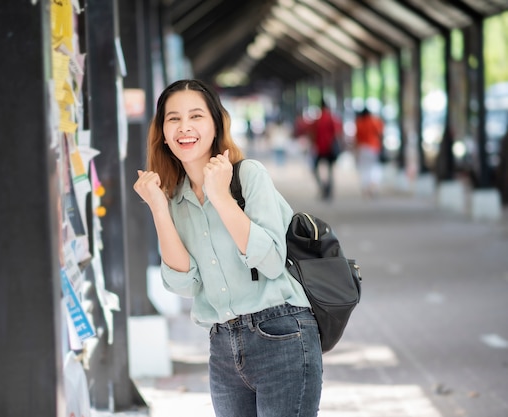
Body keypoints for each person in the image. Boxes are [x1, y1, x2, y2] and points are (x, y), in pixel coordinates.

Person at [133, 79, 322, 417]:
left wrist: (221, 198)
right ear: (162, 132)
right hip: (222, 345)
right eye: (173, 119)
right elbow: (184, 285)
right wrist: (159, 209)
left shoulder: (248, 176)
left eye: (196, 116)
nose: (185, 127)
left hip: (281, 333)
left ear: (216, 124)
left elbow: (272, 261)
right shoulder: (174, 198)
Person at [311, 100, 342, 201]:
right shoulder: (331, 118)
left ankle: (323, 187)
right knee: (330, 170)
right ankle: (329, 190)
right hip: (330, 148)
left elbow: (313, 134)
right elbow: (337, 132)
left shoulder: (317, 119)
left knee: (315, 168)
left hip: (320, 148)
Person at [354, 108, 384, 197]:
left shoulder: (359, 123)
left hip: (362, 148)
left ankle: (365, 188)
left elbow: (357, 137)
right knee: (374, 167)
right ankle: (373, 186)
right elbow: (380, 133)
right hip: (373, 147)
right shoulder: (374, 121)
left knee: (364, 169)